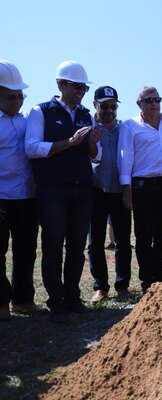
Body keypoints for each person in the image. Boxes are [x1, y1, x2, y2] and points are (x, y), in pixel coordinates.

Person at [25, 60, 102, 323]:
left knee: (77, 247)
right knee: (53, 246)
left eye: (84, 87)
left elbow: (95, 157)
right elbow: (32, 148)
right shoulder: (41, 111)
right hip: (52, 190)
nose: (81, 91)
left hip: (81, 190)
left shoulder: (84, 114)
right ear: (60, 84)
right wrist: (68, 143)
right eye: (76, 86)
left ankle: (72, 297)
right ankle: (56, 301)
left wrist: (91, 144)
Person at [118, 86, 162, 293]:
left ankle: (160, 276)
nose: (154, 104)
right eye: (149, 100)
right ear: (139, 104)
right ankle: (147, 280)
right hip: (142, 186)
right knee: (144, 235)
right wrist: (126, 188)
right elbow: (125, 158)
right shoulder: (130, 126)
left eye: (157, 99)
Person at [0, 61, 39, 321]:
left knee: (26, 250)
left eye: (20, 96)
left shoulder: (29, 122)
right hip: (1, 197)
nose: (17, 102)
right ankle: (1, 304)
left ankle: (23, 301)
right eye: (10, 97)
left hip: (27, 197)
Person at [87, 86, 132, 304]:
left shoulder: (125, 129)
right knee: (95, 242)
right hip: (95, 191)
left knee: (123, 241)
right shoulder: (88, 128)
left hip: (120, 191)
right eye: (104, 106)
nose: (109, 110)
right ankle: (100, 288)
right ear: (95, 105)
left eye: (113, 106)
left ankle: (122, 286)